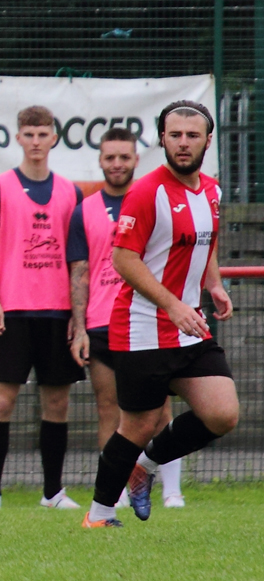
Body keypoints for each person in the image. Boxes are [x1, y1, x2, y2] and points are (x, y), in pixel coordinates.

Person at [83, 100, 237, 528]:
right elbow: (122, 259)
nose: (183, 143)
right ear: (163, 139)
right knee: (139, 424)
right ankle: (99, 516)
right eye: (175, 135)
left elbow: (205, 241)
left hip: (188, 326)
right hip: (142, 328)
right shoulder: (147, 191)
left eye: (192, 135)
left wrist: (214, 284)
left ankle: (143, 468)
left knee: (222, 414)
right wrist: (172, 304)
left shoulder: (212, 190)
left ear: (208, 140)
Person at [0, 105, 85, 511]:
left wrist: (78, 315)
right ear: (18, 138)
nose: (36, 141)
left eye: (43, 134)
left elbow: (78, 260)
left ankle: (52, 493)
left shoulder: (71, 192)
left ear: (54, 138)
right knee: (2, 401)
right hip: (14, 311)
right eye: (29, 134)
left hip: (57, 313)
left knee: (57, 404)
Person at [68, 128, 183, 510]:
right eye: (110, 157)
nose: (117, 164)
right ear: (100, 161)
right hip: (102, 322)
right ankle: (114, 490)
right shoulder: (84, 209)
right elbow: (80, 271)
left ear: (136, 159)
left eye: (124, 157)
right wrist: (80, 327)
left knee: (161, 410)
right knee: (109, 409)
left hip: (148, 319)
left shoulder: (153, 200)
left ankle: (171, 491)